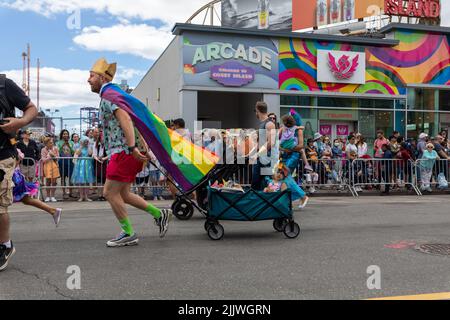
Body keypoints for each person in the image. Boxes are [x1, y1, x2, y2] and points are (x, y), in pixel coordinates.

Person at [88, 58, 171, 247]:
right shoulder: (113, 93)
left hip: (124, 152)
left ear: (101, 77)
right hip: (127, 151)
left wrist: (133, 147)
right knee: (123, 193)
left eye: (92, 76)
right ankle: (160, 214)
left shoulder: (109, 94)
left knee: (109, 192)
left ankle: (128, 233)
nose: (89, 79)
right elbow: (131, 120)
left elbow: (125, 118)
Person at [0, 74, 38, 272]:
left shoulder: (4, 85)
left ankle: (5, 245)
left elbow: (32, 108)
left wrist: (20, 122)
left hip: (3, 155)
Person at [14, 149, 62, 226]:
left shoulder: (9, 146)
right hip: (12, 176)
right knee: (26, 199)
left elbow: (19, 157)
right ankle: (53, 211)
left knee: (23, 199)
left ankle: (53, 211)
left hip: (11, 177)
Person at [252, 101, 277, 191]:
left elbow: (271, 142)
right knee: (256, 184)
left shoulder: (270, 124)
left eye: (255, 111)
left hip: (266, 159)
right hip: (260, 158)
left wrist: (258, 153)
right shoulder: (262, 124)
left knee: (266, 183)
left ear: (257, 110)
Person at [71, 137, 95, 202]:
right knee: (80, 182)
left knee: (87, 182)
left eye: (87, 141)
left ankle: (86, 197)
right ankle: (81, 196)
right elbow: (77, 153)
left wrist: (89, 146)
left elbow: (90, 154)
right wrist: (81, 146)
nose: (86, 143)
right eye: (85, 141)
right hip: (80, 166)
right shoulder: (79, 148)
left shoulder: (89, 148)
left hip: (87, 165)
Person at [57, 129, 75, 199]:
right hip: (62, 161)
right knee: (63, 177)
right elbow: (57, 151)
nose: (65, 135)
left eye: (66, 134)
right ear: (62, 135)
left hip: (70, 161)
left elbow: (73, 152)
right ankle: (64, 192)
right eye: (64, 134)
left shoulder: (71, 142)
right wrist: (62, 145)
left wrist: (69, 146)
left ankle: (71, 192)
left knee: (71, 177)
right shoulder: (58, 142)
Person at [41, 137, 60, 203]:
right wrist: (49, 157)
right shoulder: (43, 149)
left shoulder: (55, 148)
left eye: (52, 142)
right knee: (48, 181)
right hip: (47, 166)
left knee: (54, 182)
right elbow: (43, 159)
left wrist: (54, 156)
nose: (52, 144)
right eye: (50, 143)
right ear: (46, 143)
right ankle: (48, 196)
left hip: (54, 166)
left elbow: (58, 158)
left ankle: (53, 196)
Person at [92, 129, 108, 201]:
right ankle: (100, 195)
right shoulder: (95, 144)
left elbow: (110, 153)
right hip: (98, 163)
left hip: (105, 163)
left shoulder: (107, 145)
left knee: (105, 179)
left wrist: (104, 158)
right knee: (99, 179)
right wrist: (97, 158)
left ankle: (104, 195)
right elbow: (94, 154)